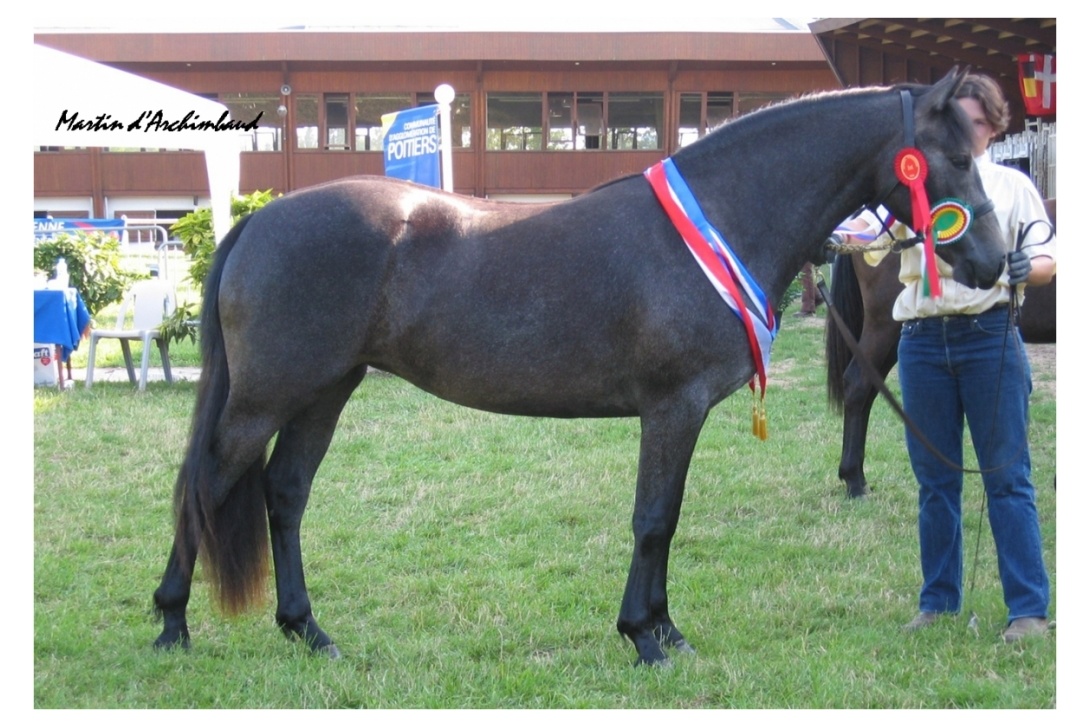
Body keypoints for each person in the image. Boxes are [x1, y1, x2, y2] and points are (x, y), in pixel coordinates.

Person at [838, 74, 1055, 643]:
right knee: (936, 481)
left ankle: (1028, 610)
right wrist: (826, 235)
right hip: (924, 344)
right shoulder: (916, 190)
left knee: (1007, 477)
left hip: (989, 338)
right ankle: (937, 601)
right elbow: (862, 234)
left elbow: (1050, 255)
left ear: (994, 127)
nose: (971, 132)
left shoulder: (1011, 186)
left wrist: (1024, 267)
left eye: (980, 122)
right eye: (961, 120)